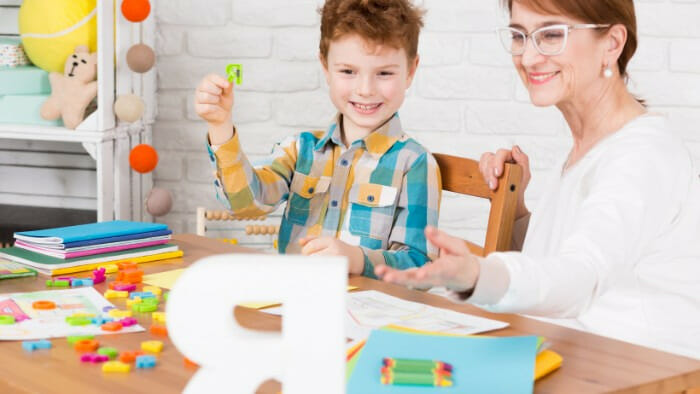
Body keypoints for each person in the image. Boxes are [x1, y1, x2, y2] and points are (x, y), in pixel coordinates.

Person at [376, 0, 700, 359]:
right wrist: (517, 213)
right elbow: (570, 254)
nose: (528, 58)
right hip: (574, 355)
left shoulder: (641, 156)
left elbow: (581, 277)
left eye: (550, 35)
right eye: (519, 36)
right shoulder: (593, 145)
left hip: (638, 372)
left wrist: (477, 275)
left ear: (612, 43)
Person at [194, 0, 441, 277]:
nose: (366, 89)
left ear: (410, 71)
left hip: (367, 312)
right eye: (348, 71)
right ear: (325, 67)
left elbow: (421, 267)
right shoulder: (302, 150)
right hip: (295, 301)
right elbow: (244, 204)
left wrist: (357, 259)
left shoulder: (415, 163)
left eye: (384, 73)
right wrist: (220, 126)